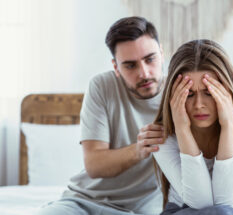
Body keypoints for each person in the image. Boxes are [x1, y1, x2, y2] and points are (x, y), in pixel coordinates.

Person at [37, 16, 165, 215]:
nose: (145, 73)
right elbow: (94, 165)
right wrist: (139, 150)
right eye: (130, 65)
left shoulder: (180, 92)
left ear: (162, 54)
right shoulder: (101, 87)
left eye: (150, 59)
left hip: (142, 210)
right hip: (83, 203)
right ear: (116, 67)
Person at [153, 39, 233, 215]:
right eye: (189, 94)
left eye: (209, 92)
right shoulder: (163, 135)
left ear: (228, 90)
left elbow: (228, 202)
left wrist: (229, 125)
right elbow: (201, 204)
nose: (199, 104)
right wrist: (183, 130)